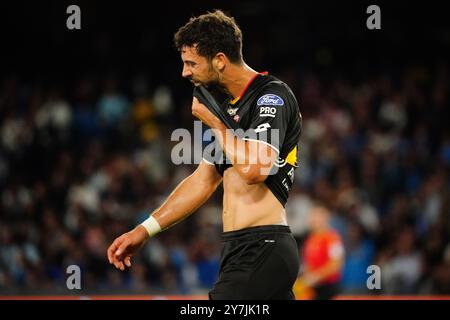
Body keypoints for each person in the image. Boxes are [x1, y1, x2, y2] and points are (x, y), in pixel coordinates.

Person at [107, 9, 303, 300]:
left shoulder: (270, 97)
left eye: (191, 63)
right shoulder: (226, 106)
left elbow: (255, 171)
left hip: (263, 247)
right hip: (240, 250)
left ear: (220, 60)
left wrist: (216, 123)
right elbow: (203, 181)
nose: (184, 72)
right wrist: (144, 230)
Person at [294, 205, 345, 300]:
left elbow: (336, 264)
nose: (312, 219)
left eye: (316, 216)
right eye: (312, 216)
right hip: (314, 287)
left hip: (328, 287)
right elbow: (309, 264)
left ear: (325, 218)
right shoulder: (310, 239)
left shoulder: (332, 238)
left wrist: (316, 276)